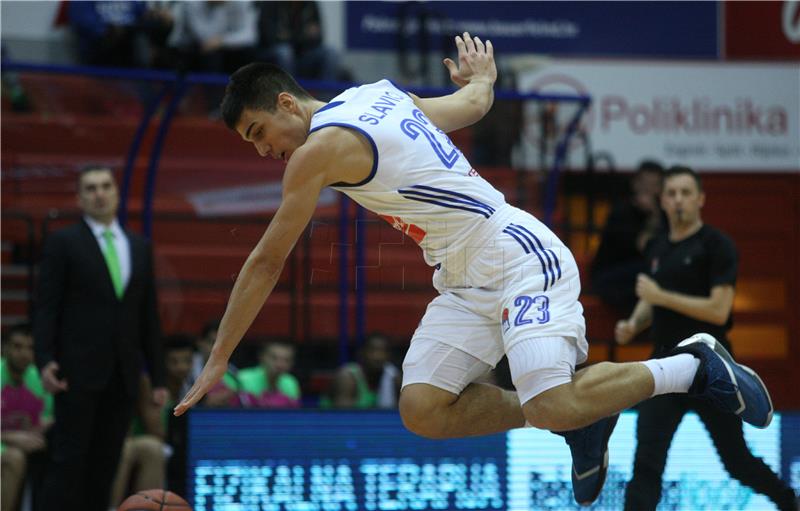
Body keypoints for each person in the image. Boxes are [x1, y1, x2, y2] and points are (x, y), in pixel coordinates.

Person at [173, 33, 775, 505]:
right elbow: (469, 105)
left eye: (259, 132)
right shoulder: (375, 94)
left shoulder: (317, 152)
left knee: (551, 401)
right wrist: (484, 79)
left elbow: (266, 262)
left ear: (285, 102)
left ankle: (691, 365)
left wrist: (221, 354)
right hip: (462, 280)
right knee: (423, 409)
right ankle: (575, 418)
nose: (263, 149)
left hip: (515, 256)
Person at [615, 166, 798, 511]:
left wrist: (659, 296)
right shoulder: (658, 246)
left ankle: (787, 500)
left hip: (712, 370)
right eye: (671, 194)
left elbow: (718, 310)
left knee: (736, 460)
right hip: (665, 368)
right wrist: (633, 322)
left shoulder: (717, 245)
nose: (678, 200)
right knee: (647, 462)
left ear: (700, 199)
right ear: (663, 202)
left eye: (685, 193)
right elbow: (650, 301)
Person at [34, 166, 166, 511]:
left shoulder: (139, 246)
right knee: (68, 462)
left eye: (106, 186)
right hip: (75, 373)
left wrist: (158, 376)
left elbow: (148, 315)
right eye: (90, 188)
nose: (99, 193)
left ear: (117, 193)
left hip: (122, 374)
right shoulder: (63, 242)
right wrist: (45, 360)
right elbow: (46, 307)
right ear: (79, 198)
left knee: (106, 464)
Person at [591, 160, 664, 314]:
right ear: (635, 184)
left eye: (654, 185)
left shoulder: (664, 214)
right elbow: (644, 247)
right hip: (611, 276)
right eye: (645, 183)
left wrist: (656, 214)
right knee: (654, 270)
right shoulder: (621, 212)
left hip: (639, 277)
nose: (648, 190)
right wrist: (653, 216)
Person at [1, 324, 51, 511]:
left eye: (30, 348)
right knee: (15, 457)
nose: (24, 354)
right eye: (17, 346)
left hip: (26, 446)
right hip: (7, 445)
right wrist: (10, 437)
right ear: (4, 349)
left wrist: (43, 427)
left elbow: (48, 419)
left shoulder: (39, 379)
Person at [323, 333, 400, 409]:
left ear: (389, 355)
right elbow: (343, 417)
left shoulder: (394, 377)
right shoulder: (346, 377)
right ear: (362, 353)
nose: (378, 356)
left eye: (383, 351)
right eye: (372, 350)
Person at [238, 341, 301, 408]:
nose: (280, 365)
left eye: (286, 360)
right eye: (274, 358)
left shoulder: (291, 383)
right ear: (262, 357)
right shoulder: (241, 378)